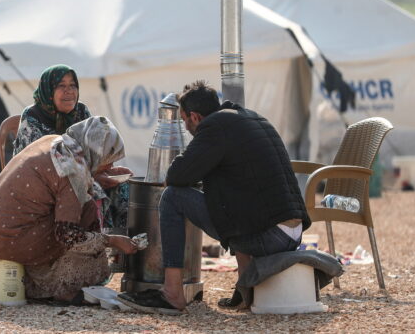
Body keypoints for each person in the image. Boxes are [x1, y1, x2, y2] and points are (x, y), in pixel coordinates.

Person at [118, 80, 311, 315]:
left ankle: (172, 293)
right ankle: (245, 289)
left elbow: (177, 176)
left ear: (195, 117)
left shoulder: (214, 127)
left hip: (269, 238)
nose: (187, 129)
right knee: (230, 197)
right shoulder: (249, 117)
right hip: (293, 232)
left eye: (185, 122)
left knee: (172, 197)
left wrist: (183, 161)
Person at [0, 116, 138, 304]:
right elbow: (66, 235)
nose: (110, 166)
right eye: (108, 159)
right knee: (88, 211)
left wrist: (96, 176)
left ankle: (39, 273)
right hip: (6, 241)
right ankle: (56, 286)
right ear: (97, 152)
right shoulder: (72, 168)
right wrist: (111, 240)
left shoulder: (56, 142)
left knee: (83, 202)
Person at [13, 64, 131, 230]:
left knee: (123, 187)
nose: (69, 91)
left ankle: (121, 247)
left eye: (73, 85)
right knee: (96, 190)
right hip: (43, 183)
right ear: (49, 90)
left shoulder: (80, 112)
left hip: (80, 176)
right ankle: (99, 242)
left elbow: (95, 154)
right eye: (61, 86)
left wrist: (106, 170)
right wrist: (92, 179)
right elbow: (46, 167)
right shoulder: (32, 117)